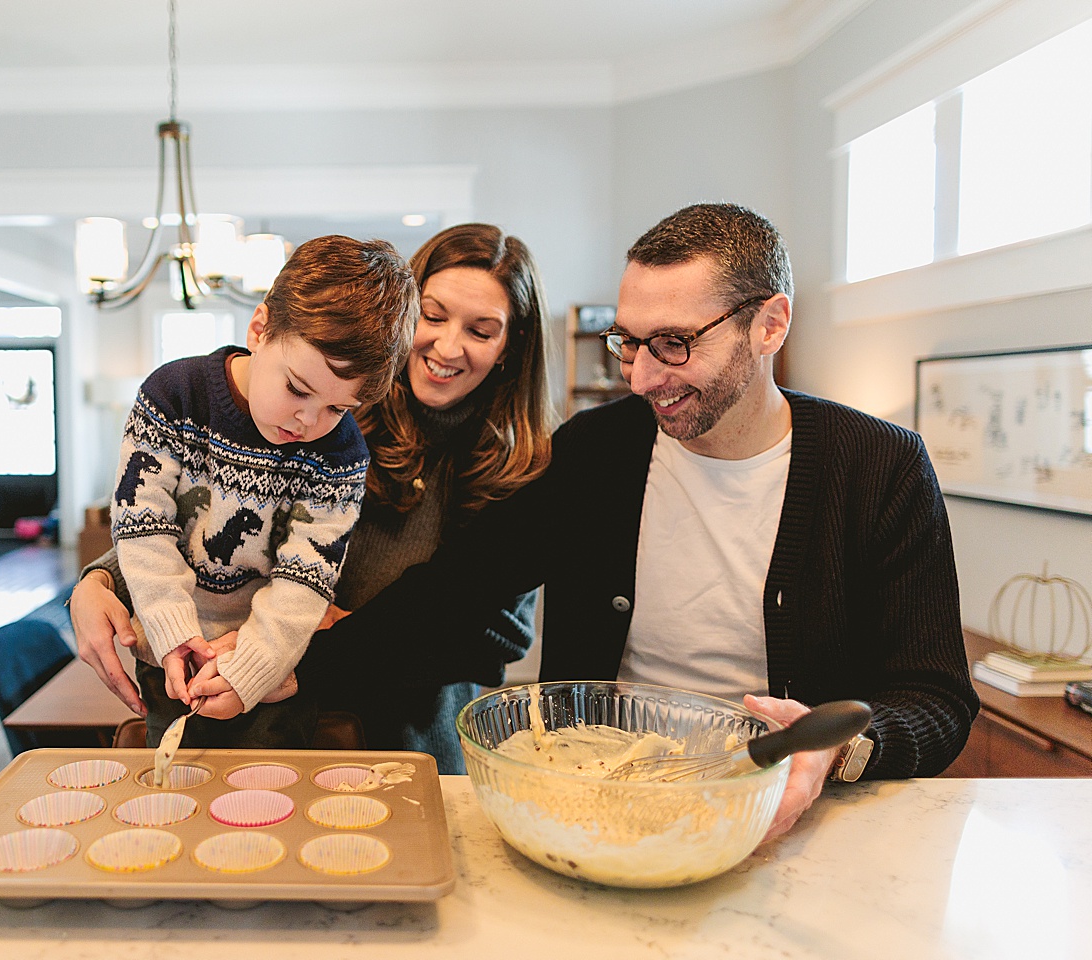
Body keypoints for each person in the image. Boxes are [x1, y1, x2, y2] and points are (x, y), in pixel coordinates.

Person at [296, 203, 978, 840]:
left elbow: (937, 699)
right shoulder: (597, 451)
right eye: (630, 342)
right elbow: (454, 592)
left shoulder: (879, 467)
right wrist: (287, 665)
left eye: (674, 344)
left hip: (790, 822)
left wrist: (840, 749)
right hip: (597, 807)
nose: (642, 377)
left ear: (769, 325)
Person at [73, 223, 556, 771]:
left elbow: (496, 636)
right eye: (433, 315)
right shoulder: (318, 410)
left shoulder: (516, 465)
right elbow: (205, 521)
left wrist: (326, 646)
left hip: (406, 735)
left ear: (511, 345)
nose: (448, 346)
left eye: (481, 330)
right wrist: (98, 579)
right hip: (260, 689)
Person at [104, 234, 419, 749]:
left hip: (272, 669)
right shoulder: (173, 396)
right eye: (297, 388)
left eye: (337, 408)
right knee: (177, 782)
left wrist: (252, 668)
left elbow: (305, 578)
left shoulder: (342, 454)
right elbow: (142, 527)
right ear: (259, 329)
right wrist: (172, 633)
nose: (308, 421)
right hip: (169, 659)